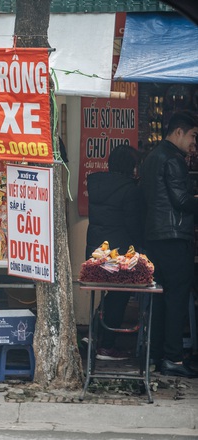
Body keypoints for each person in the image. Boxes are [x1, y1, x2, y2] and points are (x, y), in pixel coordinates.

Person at [140, 110, 198, 378]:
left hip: (154, 238)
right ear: (178, 132)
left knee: (161, 298)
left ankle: (155, 354)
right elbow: (181, 201)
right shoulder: (173, 159)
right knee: (176, 299)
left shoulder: (151, 157)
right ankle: (173, 358)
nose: (193, 143)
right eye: (192, 136)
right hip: (174, 238)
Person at [86, 144, 145, 361]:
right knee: (120, 293)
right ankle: (107, 346)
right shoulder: (130, 190)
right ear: (131, 167)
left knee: (110, 292)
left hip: (95, 256)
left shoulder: (96, 184)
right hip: (117, 258)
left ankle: (93, 335)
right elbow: (134, 226)